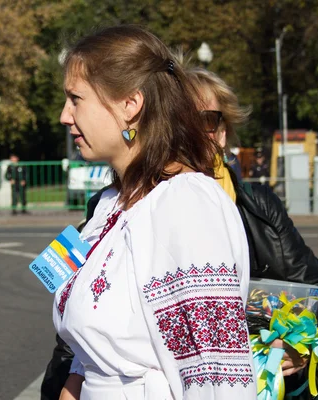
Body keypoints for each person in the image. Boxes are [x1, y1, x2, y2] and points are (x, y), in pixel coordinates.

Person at [52, 25, 256, 400]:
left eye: (76, 99)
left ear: (130, 104)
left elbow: (215, 372)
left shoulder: (186, 205)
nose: (65, 116)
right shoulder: (112, 203)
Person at [186, 66, 318, 399]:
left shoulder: (260, 207)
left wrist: (306, 348)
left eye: (208, 120)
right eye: (181, 120)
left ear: (223, 132)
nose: (196, 133)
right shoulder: (122, 209)